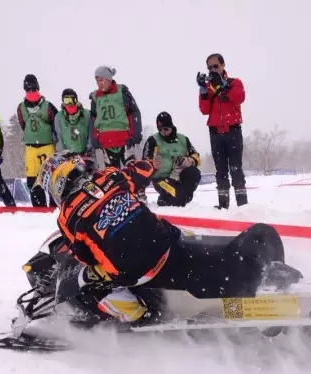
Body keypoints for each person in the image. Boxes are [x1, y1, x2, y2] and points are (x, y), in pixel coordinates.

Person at [40, 153, 289, 325]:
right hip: (165, 244)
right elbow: (142, 170)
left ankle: (137, 315)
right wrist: (148, 163)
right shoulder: (110, 176)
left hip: (136, 272)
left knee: (81, 281)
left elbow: (83, 256)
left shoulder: (67, 217)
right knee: (194, 248)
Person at [197, 53, 247, 209]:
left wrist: (224, 86)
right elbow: (204, 110)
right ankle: (223, 206)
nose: (213, 70)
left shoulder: (234, 82)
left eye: (215, 66)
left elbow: (239, 98)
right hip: (215, 133)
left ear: (223, 65)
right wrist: (203, 91)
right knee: (221, 170)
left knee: (236, 169)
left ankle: (243, 206)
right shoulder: (208, 87)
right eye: (209, 67)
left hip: (233, 131)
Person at [141, 111, 202, 207]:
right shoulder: (152, 140)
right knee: (179, 197)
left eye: (165, 128)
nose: (163, 131)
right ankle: (170, 198)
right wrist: (152, 164)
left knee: (194, 173)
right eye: (160, 129)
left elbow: (196, 157)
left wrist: (190, 161)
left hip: (179, 176)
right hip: (161, 179)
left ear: (171, 126)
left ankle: (176, 198)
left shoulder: (183, 139)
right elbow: (144, 163)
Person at [89, 66, 143, 170]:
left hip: (124, 141)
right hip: (105, 143)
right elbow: (93, 119)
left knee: (131, 172)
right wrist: (94, 139)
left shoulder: (122, 91)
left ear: (109, 79)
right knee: (111, 175)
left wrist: (136, 133)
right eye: (97, 81)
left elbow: (134, 112)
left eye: (102, 80)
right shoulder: (95, 96)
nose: (99, 83)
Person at [17, 74, 58, 207]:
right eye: (28, 89)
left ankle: (54, 205)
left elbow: (56, 124)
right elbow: (23, 125)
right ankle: (39, 208)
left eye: (33, 89)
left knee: (51, 177)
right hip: (31, 148)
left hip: (48, 146)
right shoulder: (21, 107)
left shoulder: (48, 106)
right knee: (33, 180)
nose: (31, 91)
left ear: (38, 88)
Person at [54, 88, 92, 155]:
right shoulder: (59, 117)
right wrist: (63, 153)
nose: (70, 103)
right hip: (68, 156)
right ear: (63, 102)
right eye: (67, 100)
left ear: (76, 100)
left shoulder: (87, 114)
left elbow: (91, 134)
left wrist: (89, 149)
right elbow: (58, 136)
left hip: (86, 154)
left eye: (72, 100)